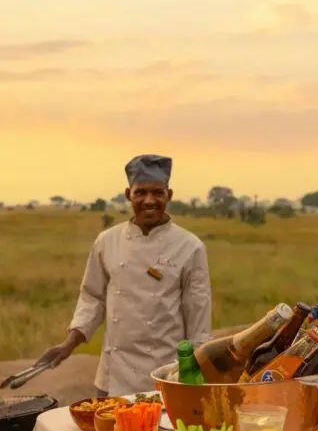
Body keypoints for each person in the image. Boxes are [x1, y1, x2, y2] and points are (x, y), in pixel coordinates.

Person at [37, 154, 212, 396]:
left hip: (164, 376)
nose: (149, 201)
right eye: (141, 192)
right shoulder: (107, 241)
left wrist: (193, 381)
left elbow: (199, 321)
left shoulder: (189, 247)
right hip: (112, 377)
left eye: (157, 193)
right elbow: (92, 298)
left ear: (168, 195)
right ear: (128, 193)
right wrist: (68, 345)